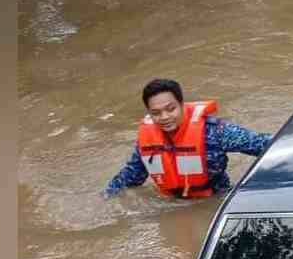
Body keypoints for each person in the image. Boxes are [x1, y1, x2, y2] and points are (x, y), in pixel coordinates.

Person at [103, 78, 274, 198]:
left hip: (214, 201)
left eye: (170, 109)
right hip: (170, 205)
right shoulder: (146, 141)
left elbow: (264, 145)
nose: (164, 117)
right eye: (156, 113)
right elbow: (130, 177)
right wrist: (106, 197)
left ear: (182, 105)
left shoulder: (215, 132)